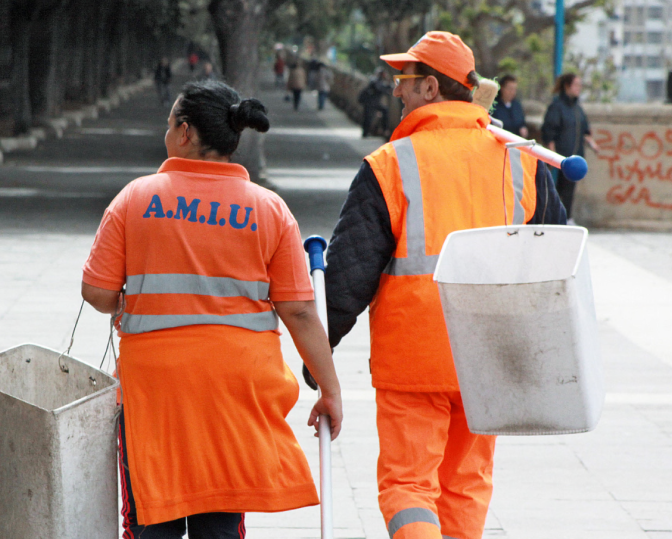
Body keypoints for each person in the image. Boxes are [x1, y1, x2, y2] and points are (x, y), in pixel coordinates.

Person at [317, 31, 565, 539]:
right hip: (491, 358)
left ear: (430, 88)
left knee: (408, 486)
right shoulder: (521, 160)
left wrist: (316, 355)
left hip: (415, 358)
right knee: (465, 486)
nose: (394, 92)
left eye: (402, 81)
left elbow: (348, 274)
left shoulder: (391, 165)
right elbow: (558, 258)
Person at [81, 80, 343, 538]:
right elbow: (299, 311)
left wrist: (131, 296)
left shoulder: (135, 199)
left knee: (150, 523)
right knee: (220, 525)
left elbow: (97, 293)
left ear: (185, 133)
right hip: (233, 391)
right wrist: (330, 389)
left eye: (169, 125)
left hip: (154, 393)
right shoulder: (269, 209)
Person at [542, 72, 600, 222]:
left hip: (575, 156)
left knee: (569, 190)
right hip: (559, 157)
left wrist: (592, 144)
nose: (578, 88)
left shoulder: (577, 108)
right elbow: (549, 130)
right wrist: (551, 152)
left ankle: (567, 218)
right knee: (555, 189)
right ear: (567, 86)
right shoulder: (557, 106)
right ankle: (552, 219)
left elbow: (585, 131)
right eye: (576, 85)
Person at [358, 69, 392, 137]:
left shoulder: (380, 81)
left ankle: (384, 129)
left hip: (375, 103)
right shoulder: (375, 80)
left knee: (385, 111)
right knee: (368, 118)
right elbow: (379, 88)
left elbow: (387, 88)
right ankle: (365, 133)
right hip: (369, 103)